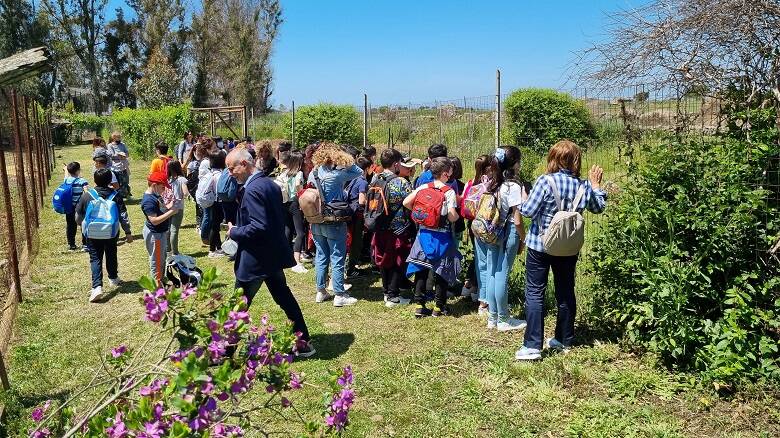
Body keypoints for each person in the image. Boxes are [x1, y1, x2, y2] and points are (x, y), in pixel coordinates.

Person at [515, 140, 607, 360]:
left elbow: (527, 211)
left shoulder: (545, 181)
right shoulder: (583, 185)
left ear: (553, 158)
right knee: (565, 291)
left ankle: (532, 345)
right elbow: (599, 207)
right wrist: (596, 187)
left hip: (540, 244)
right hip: (568, 247)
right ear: (576, 161)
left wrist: (524, 198)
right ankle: (563, 339)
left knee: (535, 292)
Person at [225, 148, 315, 357]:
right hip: (271, 255)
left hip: (256, 259)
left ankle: (222, 353)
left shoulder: (253, 189)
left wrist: (235, 231)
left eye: (232, 168)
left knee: (238, 305)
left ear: (245, 164)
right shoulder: (269, 184)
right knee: (285, 298)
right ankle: (303, 343)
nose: (230, 173)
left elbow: (259, 226)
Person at [474, 146, 528, 331]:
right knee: (502, 273)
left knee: (491, 272)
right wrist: (524, 239)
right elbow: (518, 219)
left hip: (491, 231)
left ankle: (493, 317)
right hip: (508, 231)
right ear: (514, 163)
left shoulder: (493, 182)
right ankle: (504, 319)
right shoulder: (512, 186)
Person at [403, 157, 461, 317]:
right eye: (450, 170)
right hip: (441, 237)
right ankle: (439, 307)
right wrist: (457, 215)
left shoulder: (423, 187)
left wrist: (421, 212)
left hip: (423, 234)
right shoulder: (448, 191)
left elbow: (406, 202)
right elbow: (451, 216)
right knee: (441, 271)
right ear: (444, 173)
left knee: (421, 269)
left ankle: (420, 306)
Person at [308, 144, 362, 307]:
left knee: (321, 255)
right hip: (334, 220)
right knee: (337, 256)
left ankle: (321, 291)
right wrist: (345, 159)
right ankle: (339, 294)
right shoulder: (337, 175)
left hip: (317, 220)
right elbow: (359, 172)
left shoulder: (314, 172)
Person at [75, 168, 131, 302]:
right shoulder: (115, 195)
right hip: (111, 232)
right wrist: (127, 232)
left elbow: (78, 216)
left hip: (92, 233)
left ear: (95, 180)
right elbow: (123, 215)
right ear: (109, 180)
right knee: (111, 253)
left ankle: (97, 287)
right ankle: (113, 278)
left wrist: (83, 226)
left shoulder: (87, 195)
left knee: (95, 258)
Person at [371, 149, 414, 307]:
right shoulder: (401, 182)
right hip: (398, 228)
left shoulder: (376, 179)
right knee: (397, 260)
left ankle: (386, 291)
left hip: (379, 225)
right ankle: (393, 295)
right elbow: (411, 203)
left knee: (383, 259)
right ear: (396, 163)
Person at [462, 154, 492, 307]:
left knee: (477, 255)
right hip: (485, 225)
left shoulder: (471, 183)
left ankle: (469, 285)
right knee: (484, 259)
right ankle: (477, 290)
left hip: (472, 223)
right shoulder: (490, 184)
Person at [141, 171, 180, 288]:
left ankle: (161, 281)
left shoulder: (156, 195)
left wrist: (171, 206)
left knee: (161, 258)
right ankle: (157, 288)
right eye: (162, 187)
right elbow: (154, 220)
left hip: (160, 232)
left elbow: (163, 207)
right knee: (157, 261)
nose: (164, 190)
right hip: (155, 234)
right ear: (154, 185)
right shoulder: (148, 201)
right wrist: (172, 212)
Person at [275, 150, 308, 273]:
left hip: (284, 204)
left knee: (287, 230)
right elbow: (299, 189)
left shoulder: (284, 173)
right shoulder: (299, 174)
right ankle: (296, 261)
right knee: (300, 233)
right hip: (295, 203)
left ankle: (285, 257)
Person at [345, 156, 371, 278]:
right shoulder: (363, 181)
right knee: (356, 242)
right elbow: (361, 200)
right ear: (367, 169)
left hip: (349, 212)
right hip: (357, 215)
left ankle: (349, 266)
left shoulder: (352, 179)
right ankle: (351, 269)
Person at [62, 162, 89, 251]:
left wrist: (66, 169)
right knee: (83, 224)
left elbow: (66, 175)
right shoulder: (82, 181)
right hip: (80, 207)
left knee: (70, 225)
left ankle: (71, 245)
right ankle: (85, 245)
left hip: (69, 207)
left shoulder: (67, 180)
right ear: (78, 171)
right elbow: (86, 192)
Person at [204, 151, 227, 257]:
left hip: (211, 201)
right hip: (218, 202)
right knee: (215, 226)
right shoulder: (219, 175)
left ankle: (218, 247)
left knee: (215, 225)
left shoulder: (210, 173)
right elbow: (220, 190)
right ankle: (212, 250)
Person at [167, 160, 189, 255]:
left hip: (167, 207)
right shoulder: (181, 180)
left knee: (167, 229)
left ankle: (168, 250)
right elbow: (185, 192)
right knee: (174, 230)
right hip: (178, 208)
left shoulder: (168, 180)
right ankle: (175, 252)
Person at [106, 132, 132, 198]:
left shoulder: (122, 144)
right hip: (115, 167)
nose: (120, 139)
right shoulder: (110, 145)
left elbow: (127, 153)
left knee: (125, 181)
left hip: (124, 166)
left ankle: (126, 194)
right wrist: (119, 155)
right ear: (114, 138)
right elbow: (111, 155)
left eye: (120, 137)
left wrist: (125, 155)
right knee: (116, 182)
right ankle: (117, 196)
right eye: (118, 137)